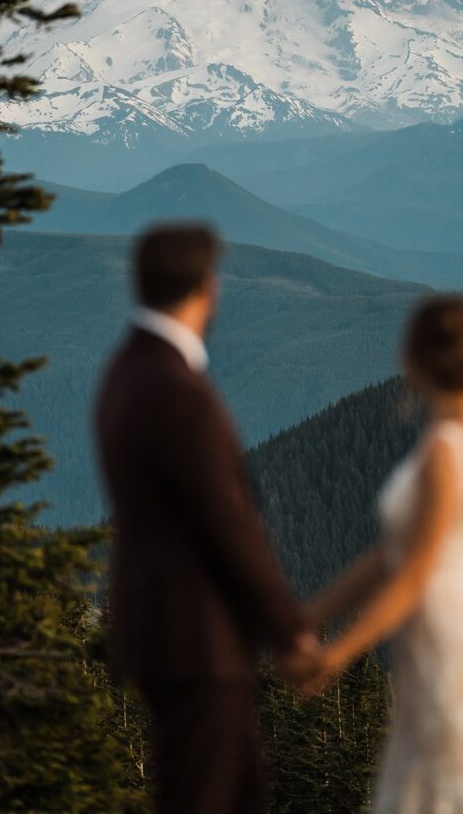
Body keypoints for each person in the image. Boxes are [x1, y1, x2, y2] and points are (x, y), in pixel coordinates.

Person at [94, 223, 318, 814]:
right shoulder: (177, 390)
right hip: (197, 635)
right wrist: (290, 631)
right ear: (207, 288)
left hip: (162, 629)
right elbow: (228, 523)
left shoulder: (126, 370)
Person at [302, 295, 463, 813]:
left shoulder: (445, 448)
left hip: (443, 646)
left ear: (413, 358)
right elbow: (399, 555)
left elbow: (413, 573)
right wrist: (313, 616)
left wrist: (336, 654)